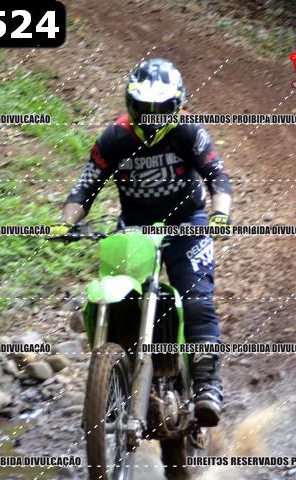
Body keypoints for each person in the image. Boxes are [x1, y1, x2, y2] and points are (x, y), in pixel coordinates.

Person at [61, 58, 232, 427]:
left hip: (186, 225)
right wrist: (66, 223)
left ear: (177, 105)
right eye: (145, 109)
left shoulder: (188, 132)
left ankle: (207, 386)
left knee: (196, 299)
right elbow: (84, 188)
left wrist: (220, 215)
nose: (153, 118)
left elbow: (217, 178)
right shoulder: (114, 138)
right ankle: (114, 379)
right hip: (134, 229)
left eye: (161, 109)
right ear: (131, 104)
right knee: (113, 298)